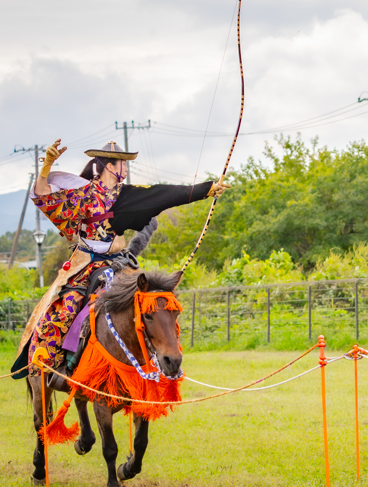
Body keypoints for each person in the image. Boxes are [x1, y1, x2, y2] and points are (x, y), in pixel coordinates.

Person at [13, 139, 228, 388]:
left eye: (126, 165)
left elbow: (164, 194)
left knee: (148, 301)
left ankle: (154, 359)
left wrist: (207, 189)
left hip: (118, 262)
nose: (125, 170)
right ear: (107, 166)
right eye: (121, 164)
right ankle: (55, 365)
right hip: (86, 264)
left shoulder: (127, 195)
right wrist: (47, 165)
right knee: (67, 306)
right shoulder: (84, 194)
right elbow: (43, 195)